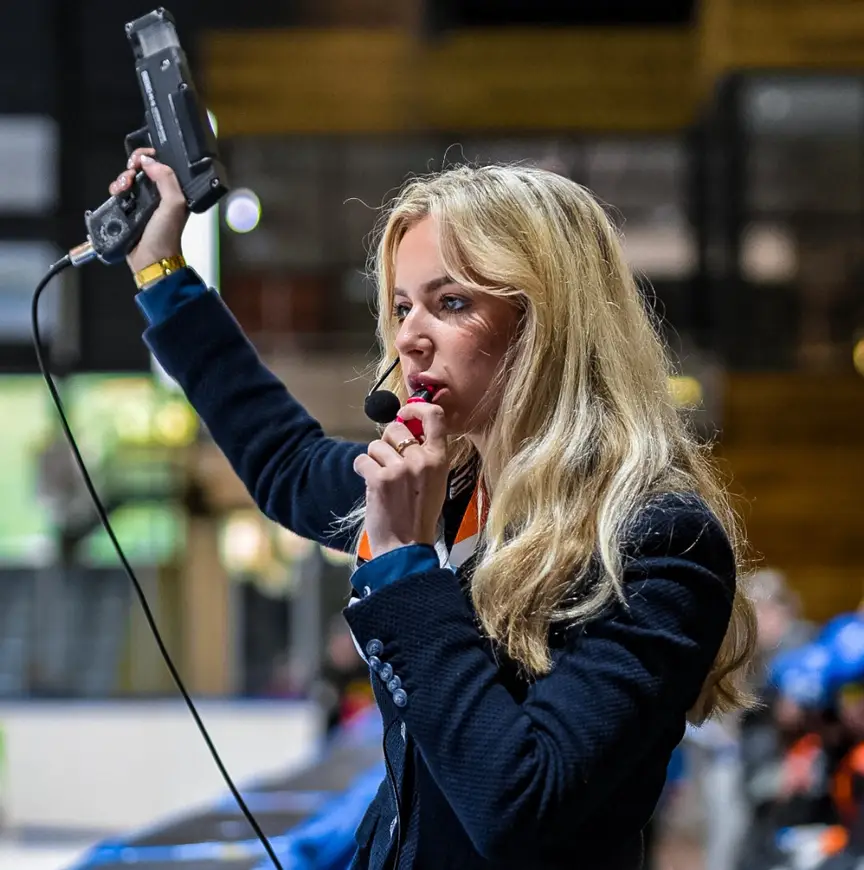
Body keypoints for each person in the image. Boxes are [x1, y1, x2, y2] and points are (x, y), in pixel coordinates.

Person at [108, 148, 758, 870]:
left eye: (452, 303)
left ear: (547, 322)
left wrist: (406, 570)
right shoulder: (442, 485)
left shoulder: (657, 540)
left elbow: (521, 810)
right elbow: (285, 461)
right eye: (401, 306)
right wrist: (160, 271)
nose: (410, 337)